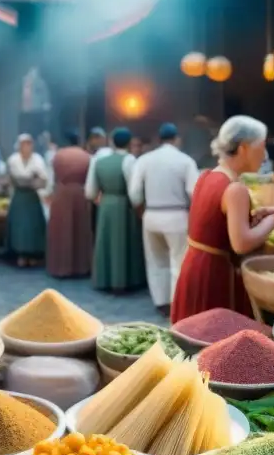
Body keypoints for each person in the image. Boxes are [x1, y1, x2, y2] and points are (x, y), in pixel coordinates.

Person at [171, 116, 274, 323]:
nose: (265, 156)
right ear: (243, 148)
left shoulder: (207, 176)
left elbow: (215, 226)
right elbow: (242, 243)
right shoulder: (235, 188)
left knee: (194, 340)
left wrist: (254, 219)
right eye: (262, 147)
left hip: (194, 267)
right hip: (215, 274)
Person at [128, 123, 199, 316]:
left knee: (156, 261)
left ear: (159, 139)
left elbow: (134, 193)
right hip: (177, 216)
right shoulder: (185, 161)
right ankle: (176, 303)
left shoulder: (144, 159)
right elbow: (194, 192)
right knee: (178, 261)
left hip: (151, 215)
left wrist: (143, 211)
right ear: (177, 139)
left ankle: (161, 303)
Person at [86, 127, 145, 292]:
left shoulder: (99, 160)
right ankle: (124, 280)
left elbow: (90, 191)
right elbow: (134, 191)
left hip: (106, 204)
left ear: (112, 141)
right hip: (123, 204)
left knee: (106, 241)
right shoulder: (129, 160)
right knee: (123, 241)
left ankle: (105, 279)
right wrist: (138, 205)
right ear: (128, 143)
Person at [46, 130, 94, 278]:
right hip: (80, 193)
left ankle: (61, 267)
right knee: (80, 230)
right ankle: (81, 267)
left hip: (62, 193)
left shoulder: (58, 156)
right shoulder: (87, 156)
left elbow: (52, 178)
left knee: (62, 230)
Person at [5, 134, 49, 267]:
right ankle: (20, 254)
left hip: (32, 197)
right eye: (24, 144)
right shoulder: (13, 159)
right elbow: (15, 179)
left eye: (29, 144)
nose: (26, 147)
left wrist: (31, 181)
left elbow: (42, 179)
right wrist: (30, 179)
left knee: (33, 226)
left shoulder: (37, 159)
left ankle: (34, 254)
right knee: (19, 226)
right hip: (19, 197)